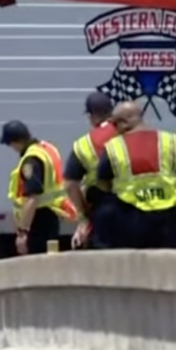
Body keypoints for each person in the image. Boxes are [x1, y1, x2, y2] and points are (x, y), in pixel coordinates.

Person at [96, 101, 176, 248]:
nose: (114, 129)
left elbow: (103, 183)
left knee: (135, 266)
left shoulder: (114, 147)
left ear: (124, 122)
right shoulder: (168, 140)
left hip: (131, 216)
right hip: (167, 217)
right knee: (167, 264)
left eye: (115, 124)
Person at [1, 119, 75, 256]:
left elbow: (33, 198)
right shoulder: (47, 149)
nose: (12, 148)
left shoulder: (31, 160)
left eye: (10, 144)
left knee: (38, 264)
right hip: (51, 217)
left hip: (38, 221)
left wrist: (23, 233)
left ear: (16, 141)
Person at [64, 92, 118, 248]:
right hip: (136, 209)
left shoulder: (84, 144)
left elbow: (70, 185)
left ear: (91, 115)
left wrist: (84, 217)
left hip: (104, 209)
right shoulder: (129, 133)